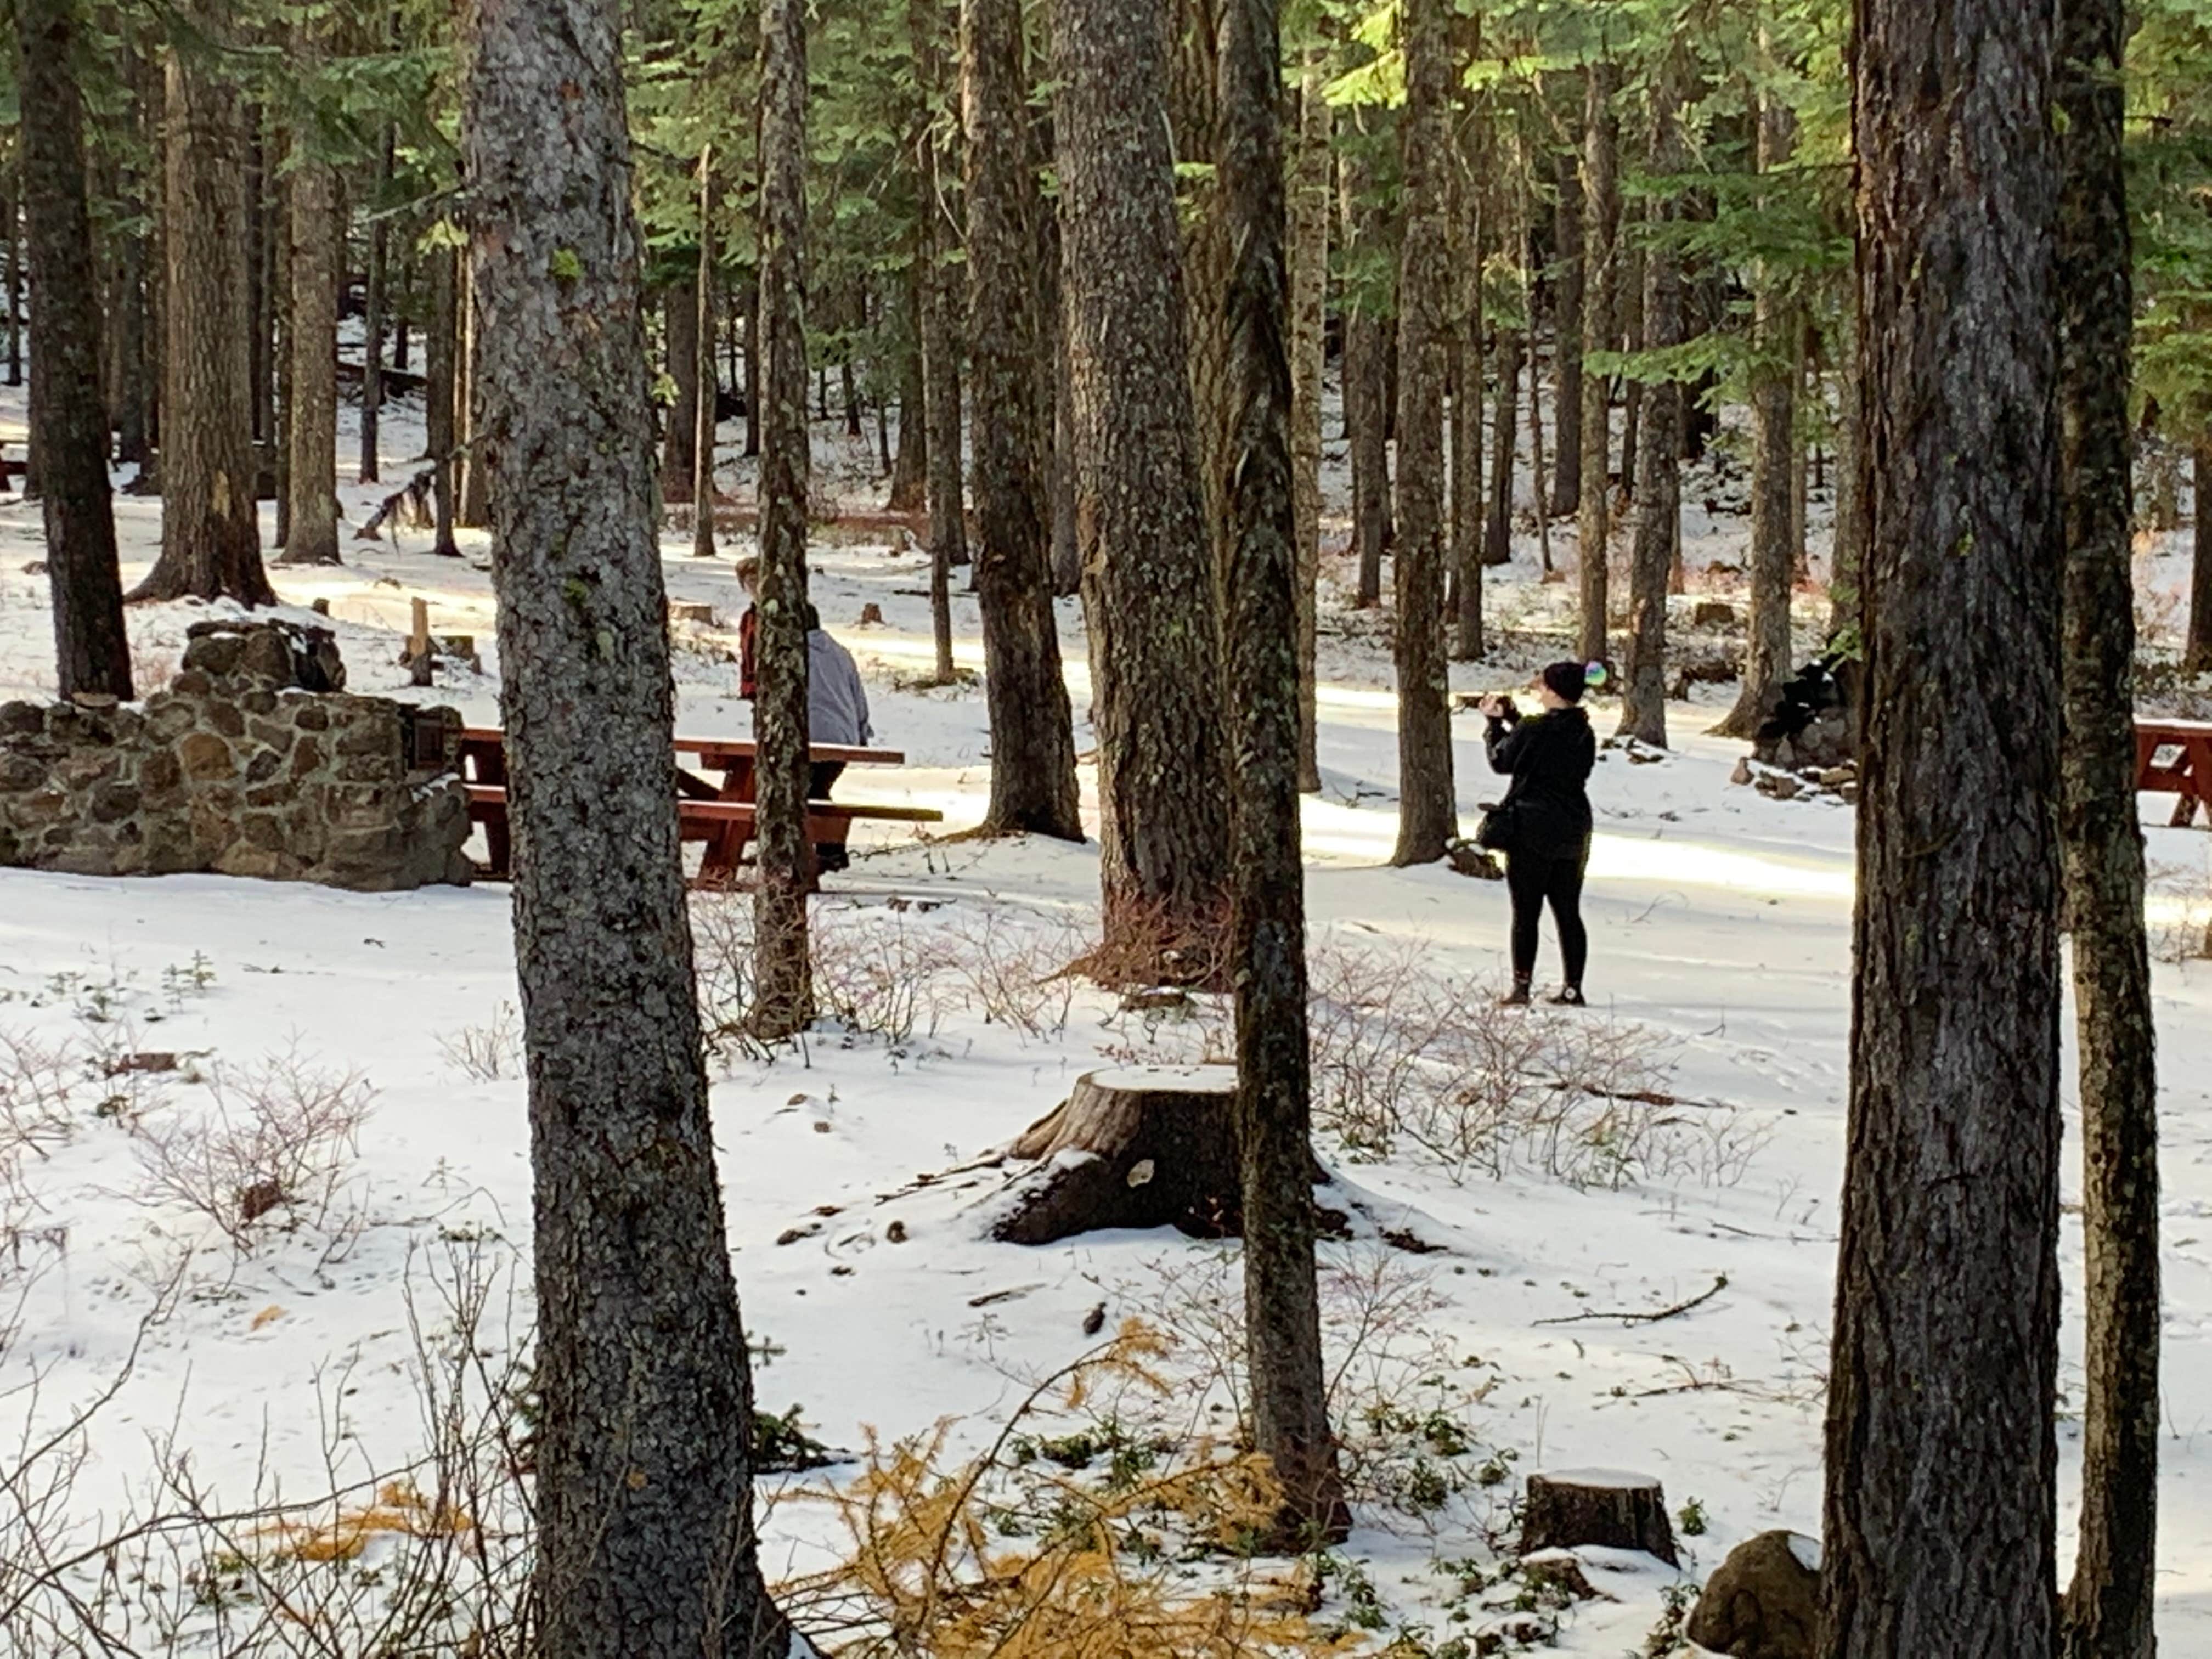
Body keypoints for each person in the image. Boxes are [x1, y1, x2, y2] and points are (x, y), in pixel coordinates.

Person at [1477, 661, 1597, 1006]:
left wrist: (1494, 725)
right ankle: (1573, 988)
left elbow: (1502, 761)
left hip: (1530, 827)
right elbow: (1542, 746)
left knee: (1526, 913)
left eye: (1542, 686)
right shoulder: (1584, 731)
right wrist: (1513, 718)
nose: (1538, 691)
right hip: (1573, 827)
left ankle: (1521, 987)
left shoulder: (1534, 728)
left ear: (1554, 692)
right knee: (1568, 911)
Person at [804, 604, 872, 872]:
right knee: (817, 790)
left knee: (808, 791)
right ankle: (830, 848)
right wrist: (861, 731)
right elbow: (858, 696)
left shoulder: (793, 654)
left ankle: (826, 848)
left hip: (810, 734)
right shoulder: (840, 653)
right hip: (843, 735)